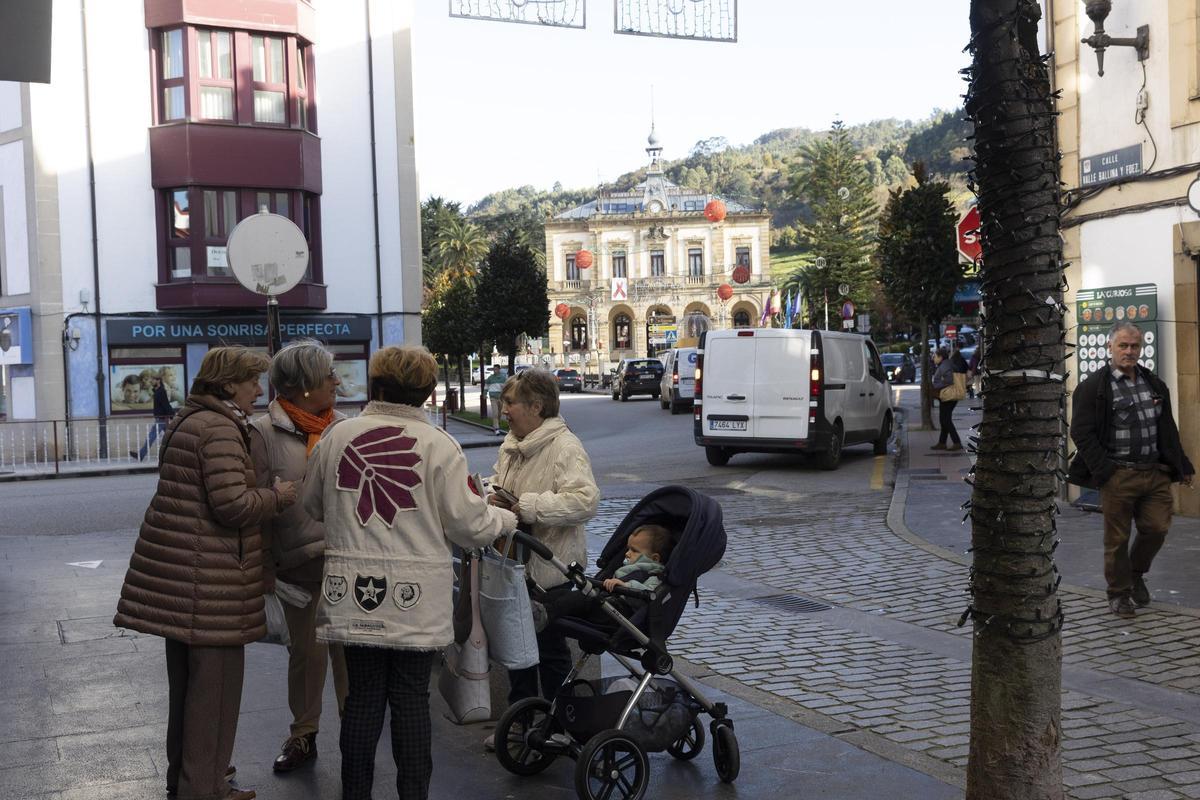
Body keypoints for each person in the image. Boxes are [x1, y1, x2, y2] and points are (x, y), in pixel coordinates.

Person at [302, 345, 518, 800]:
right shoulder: (439, 445)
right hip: (415, 596)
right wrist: (505, 520)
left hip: (350, 588)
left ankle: (355, 793)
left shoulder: (337, 437)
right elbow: (469, 524)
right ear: (424, 394)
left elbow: (311, 505)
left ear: (377, 385)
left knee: (360, 699)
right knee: (410, 700)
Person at [114, 346, 298, 800]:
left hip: (184, 582)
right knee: (213, 699)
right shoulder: (218, 427)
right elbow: (232, 505)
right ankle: (206, 790)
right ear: (229, 382)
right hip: (209, 585)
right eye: (253, 380)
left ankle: (188, 783)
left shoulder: (189, 418)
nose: (260, 389)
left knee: (189, 695)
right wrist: (277, 495)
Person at [483, 368, 600, 750]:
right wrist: (489, 495)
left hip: (551, 571)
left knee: (549, 652)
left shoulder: (565, 446)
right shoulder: (513, 443)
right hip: (514, 565)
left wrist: (527, 507)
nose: (504, 411)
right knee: (517, 650)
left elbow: (585, 499)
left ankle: (557, 723)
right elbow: (501, 483)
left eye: (510, 403)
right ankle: (521, 721)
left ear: (536, 406)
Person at [249, 341, 350, 774]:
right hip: (296, 564)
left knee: (351, 652)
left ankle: (355, 735)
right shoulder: (263, 433)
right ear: (306, 386)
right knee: (306, 656)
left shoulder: (344, 427)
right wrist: (263, 565)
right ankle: (303, 735)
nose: (337, 382)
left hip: (346, 561)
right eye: (329, 375)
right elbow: (255, 506)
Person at [1068, 321, 1195, 618]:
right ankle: (1119, 593)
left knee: (1157, 528)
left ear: (1141, 348)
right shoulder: (1093, 388)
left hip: (1154, 473)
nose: (1129, 351)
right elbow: (1082, 432)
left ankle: (1135, 574)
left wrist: (1182, 463)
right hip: (1119, 475)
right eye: (1123, 345)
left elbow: (1167, 429)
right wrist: (1106, 470)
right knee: (1117, 539)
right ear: (1109, 347)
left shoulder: (1153, 383)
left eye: (1134, 346)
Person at [531, 523, 671, 632]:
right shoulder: (627, 568)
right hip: (605, 606)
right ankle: (533, 608)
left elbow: (651, 593)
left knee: (580, 599)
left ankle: (546, 614)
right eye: (628, 549)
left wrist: (626, 586)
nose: (627, 553)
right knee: (562, 594)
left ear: (655, 558)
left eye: (634, 551)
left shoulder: (654, 575)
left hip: (618, 615)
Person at [130, 376, 175, 461]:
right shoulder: (158, 391)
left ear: (158, 380)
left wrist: (171, 414)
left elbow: (166, 404)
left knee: (151, 437)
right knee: (170, 438)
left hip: (162, 419)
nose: (151, 381)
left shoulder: (161, 391)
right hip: (161, 418)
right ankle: (177, 454)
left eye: (153, 380)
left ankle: (141, 455)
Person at [930, 347, 962, 452]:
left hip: (948, 396)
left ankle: (956, 442)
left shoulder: (945, 366)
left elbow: (948, 380)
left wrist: (936, 386)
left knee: (945, 419)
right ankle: (942, 442)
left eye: (935, 356)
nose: (933, 358)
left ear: (941, 357)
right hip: (948, 395)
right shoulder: (948, 364)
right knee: (944, 419)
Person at [485, 366, 506, 435]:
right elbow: (486, 386)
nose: (495, 371)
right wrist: (485, 394)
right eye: (494, 369)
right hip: (493, 397)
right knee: (495, 413)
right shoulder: (490, 378)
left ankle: (497, 423)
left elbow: (506, 387)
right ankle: (496, 428)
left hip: (500, 397)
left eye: (496, 369)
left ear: (499, 369)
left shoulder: (503, 378)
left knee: (500, 412)